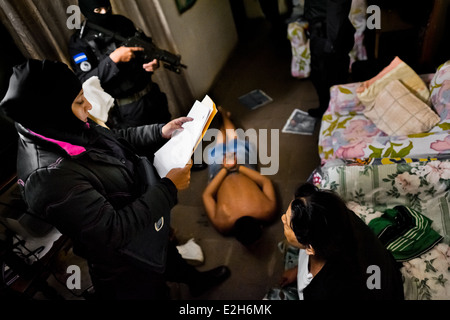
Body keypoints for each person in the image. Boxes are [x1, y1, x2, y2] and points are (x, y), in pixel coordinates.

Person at [0, 59, 230, 300]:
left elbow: (114, 139)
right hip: (126, 259)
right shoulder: (47, 180)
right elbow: (113, 232)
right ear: (53, 111)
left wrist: (160, 131)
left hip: (144, 215)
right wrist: (168, 187)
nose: (88, 106)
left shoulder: (58, 125)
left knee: (167, 254)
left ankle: (195, 281)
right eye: (79, 101)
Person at [279, 182, 404, 300]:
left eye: (288, 226)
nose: (282, 218)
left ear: (310, 248)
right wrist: (298, 270)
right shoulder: (339, 218)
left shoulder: (323, 291)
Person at [68, 0, 171, 129]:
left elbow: (146, 47)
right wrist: (113, 60)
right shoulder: (80, 42)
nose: (105, 13)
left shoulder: (122, 22)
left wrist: (153, 61)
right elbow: (85, 80)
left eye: (106, 7)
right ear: (86, 11)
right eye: (98, 10)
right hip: (127, 108)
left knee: (175, 135)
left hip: (152, 95)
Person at [202, 108, 278, 246]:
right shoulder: (222, 225)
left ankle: (224, 117)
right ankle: (224, 117)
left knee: (230, 141)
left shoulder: (268, 211)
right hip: (233, 169)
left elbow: (265, 182)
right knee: (225, 144)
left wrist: (227, 169)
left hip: (226, 171)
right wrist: (236, 167)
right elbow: (207, 195)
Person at [304, 0, 355, 118]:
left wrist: (331, 43)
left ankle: (333, 113)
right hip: (323, 34)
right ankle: (326, 108)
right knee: (321, 76)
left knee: (329, 77)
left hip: (328, 37)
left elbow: (336, 9)